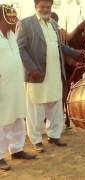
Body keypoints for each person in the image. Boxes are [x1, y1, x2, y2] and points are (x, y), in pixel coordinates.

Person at [15, 0, 85, 153]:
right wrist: (31, 68)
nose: (45, 9)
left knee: (55, 105)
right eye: (42, 6)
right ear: (36, 7)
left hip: (54, 73)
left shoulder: (53, 23)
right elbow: (20, 48)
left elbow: (60, 46)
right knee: (35, 108)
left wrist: (76, 53)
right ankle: (36, 140)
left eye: (48, 7)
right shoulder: (25, 23)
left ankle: (53, 135)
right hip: (37, 74)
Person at [0, 4, 37, 171]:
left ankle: (17, 149)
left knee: (18, 117)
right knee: (3, 120)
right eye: (8, 21)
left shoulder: (12, 35)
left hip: (16, 83)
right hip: (2, 85)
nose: (12, 23)